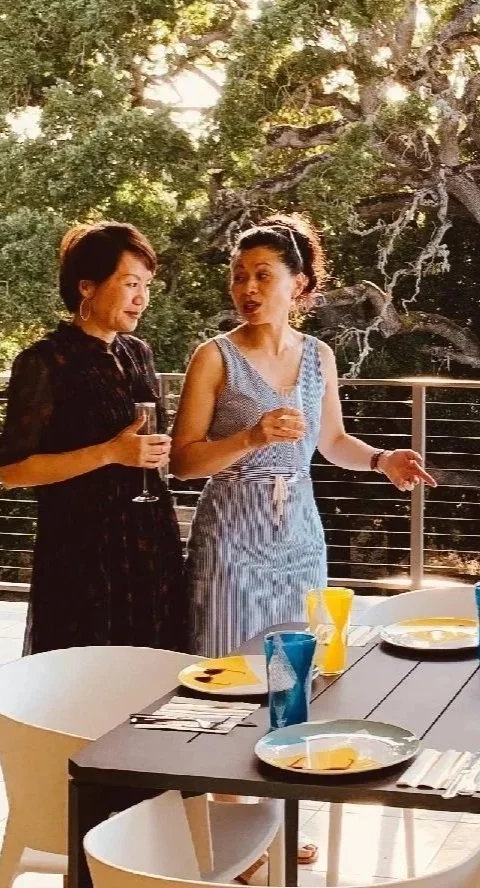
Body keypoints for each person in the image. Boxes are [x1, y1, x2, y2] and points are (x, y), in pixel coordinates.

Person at [170, 212, 435, 658]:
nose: (247, 288)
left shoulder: (319, 355)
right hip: (230, 538)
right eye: (239, 276)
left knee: (300, 663)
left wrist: (382, 459)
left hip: (301, 537)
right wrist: (250, 438)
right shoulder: (213, 357)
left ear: (298, 284)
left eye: (262, 276)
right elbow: (182, 463)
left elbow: (333, 441)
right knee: (226, 667)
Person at [0, 221, 187, 655]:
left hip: (148, 540)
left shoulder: (137, 353)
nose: (142, 298)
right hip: (81, 550)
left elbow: (144, 443)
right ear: (87, 287)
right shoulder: (44, 361)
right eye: (131, 283)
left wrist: (155, 451)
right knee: (84, 672)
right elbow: (13, 471)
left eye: (147, 285)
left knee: (150, 669)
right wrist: (110, 453)